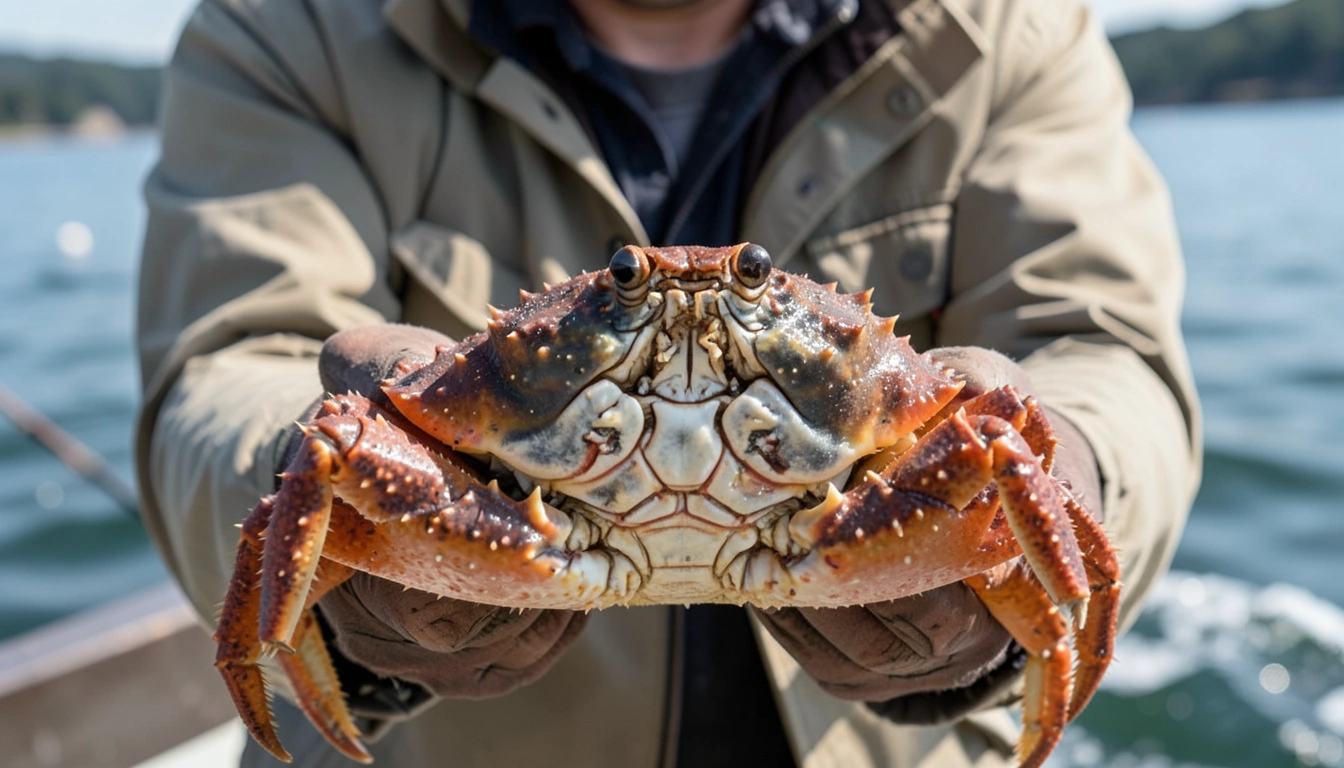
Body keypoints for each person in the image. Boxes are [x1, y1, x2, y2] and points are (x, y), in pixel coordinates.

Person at [135, 0, 1201, 765]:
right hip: (461, 723)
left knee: (1010, 452)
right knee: (323, 459)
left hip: (881, 730)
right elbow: (225, 370)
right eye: (630, 290)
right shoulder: (295, 27)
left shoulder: (1007, 27)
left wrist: (1080, 468)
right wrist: (313, 512)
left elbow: (1100, 350)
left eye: (745, 290)